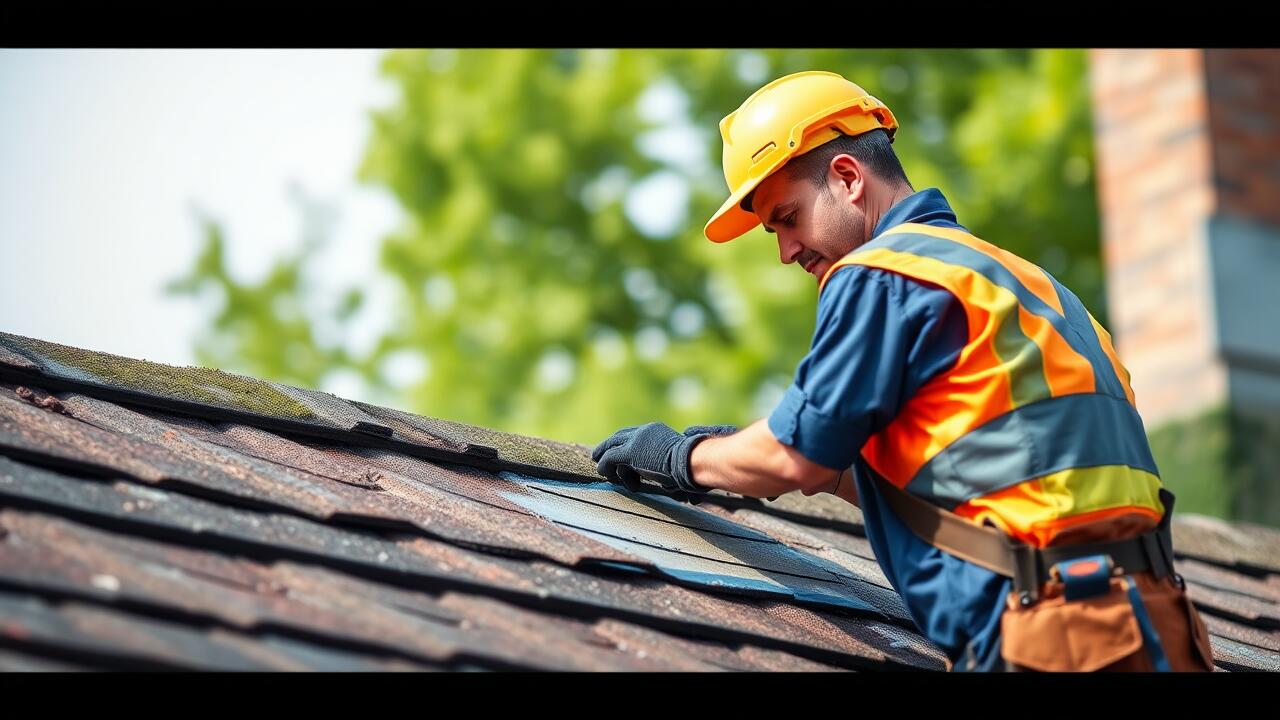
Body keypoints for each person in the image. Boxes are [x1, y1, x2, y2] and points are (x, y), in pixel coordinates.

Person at [591, 70, 1216, 672]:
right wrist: (786, 460)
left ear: (846, 177)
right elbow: (983, 481)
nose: (785, 252)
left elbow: (790, 457)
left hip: (1055, 637)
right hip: (1161, 628)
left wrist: (683, 456)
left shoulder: (885, 273)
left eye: (786, 218)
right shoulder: (1030, 287)